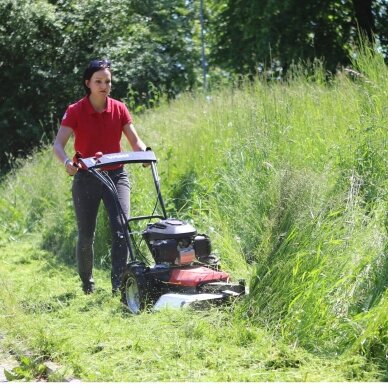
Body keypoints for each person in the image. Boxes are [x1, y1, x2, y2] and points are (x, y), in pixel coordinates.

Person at [53, 59, 148, 295]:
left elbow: (135, 140)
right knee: (86, 234)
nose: (104, 85)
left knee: (121, 228)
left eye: (107, 81)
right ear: (88, 83)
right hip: (86, 178)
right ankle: (87, 283)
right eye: (98, 81)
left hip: (117, 176)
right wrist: (66, 162)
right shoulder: (75, 111)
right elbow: (58, 144)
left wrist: (145, 154)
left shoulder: (119, 108)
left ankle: (118, 284)